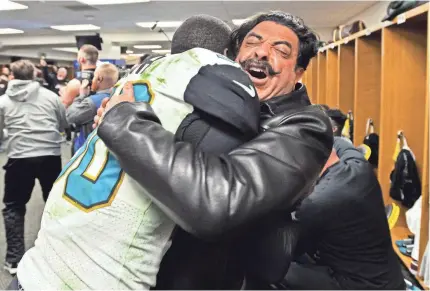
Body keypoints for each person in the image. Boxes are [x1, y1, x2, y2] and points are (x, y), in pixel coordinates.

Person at [14, 15, 261, 290]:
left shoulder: (135, 78)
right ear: (225, 55)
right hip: (100, 278)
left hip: (39, 262)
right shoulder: (215, 80)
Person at [95, 11, 333, 287]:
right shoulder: (216, 102)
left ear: (298, 73)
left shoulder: (305, 128)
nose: (262, 53)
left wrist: (126, 124)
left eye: (280, 49)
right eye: (253, 42)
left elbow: (219, 200)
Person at [279, 137, 405, 290]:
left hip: (359, 284)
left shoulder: (317, 202)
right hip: (390, 277)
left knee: (271, 268)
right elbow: (340, 142)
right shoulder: (359, 164)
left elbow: (289, 249)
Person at [0, 60, 67, 275]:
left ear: (12, 76)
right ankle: (57, 254)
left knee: (14, 207)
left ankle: (14, 261)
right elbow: (62, 124)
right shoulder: (51, 97)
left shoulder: (2, 102)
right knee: (55, 204)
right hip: (50, 155)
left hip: (19, 157)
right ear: (34, 75)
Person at [66, 63, 119, 153]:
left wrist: (82, 95)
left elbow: (69, 116)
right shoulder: (118, 98)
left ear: (99, 78)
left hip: (87, 152)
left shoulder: (91, 102)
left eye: (94, 77)